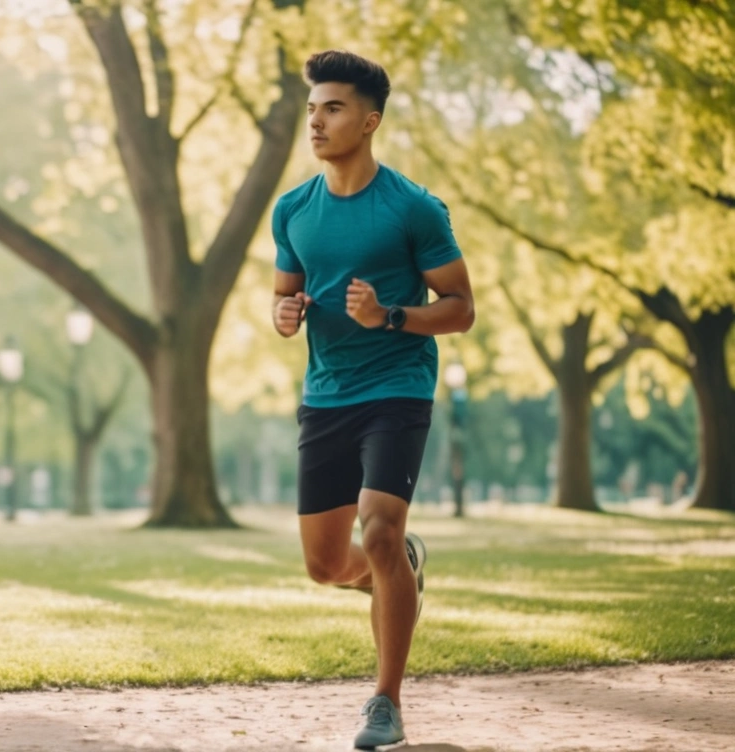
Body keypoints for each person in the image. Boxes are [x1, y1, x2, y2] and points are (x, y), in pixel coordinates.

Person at [270, 50, 475, 750]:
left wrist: (389, 315)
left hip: (397, 387)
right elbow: (283, 293)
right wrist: (285, 315)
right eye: (312, 110)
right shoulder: (293, 210)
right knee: (328, 565)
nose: (317, 122)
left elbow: (459, 307)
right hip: (326, 394)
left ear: (369, 120)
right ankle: (400, 569)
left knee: (378, 530)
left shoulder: (413, 209)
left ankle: (384, 703)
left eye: (332, 109)